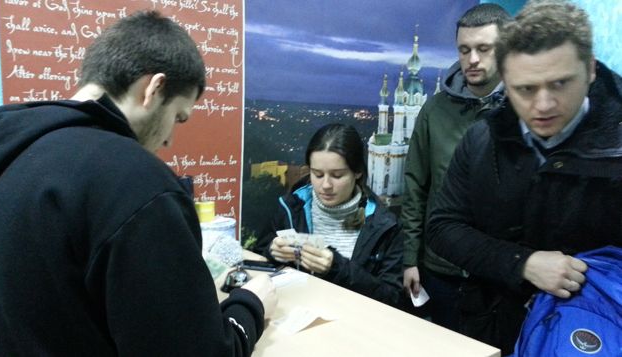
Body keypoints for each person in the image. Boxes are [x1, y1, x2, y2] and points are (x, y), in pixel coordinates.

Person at [0, 11, 276, 356]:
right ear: (153, 89)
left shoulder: (6, 143)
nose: (169, 140)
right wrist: (249, 306)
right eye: (178, 117)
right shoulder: (133, 182)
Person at [426, 0, 622, 354]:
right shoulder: (482, 138)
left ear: (590, 69)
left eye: (560, 83)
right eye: (525, 89)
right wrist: (524, 264)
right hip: (494, 326)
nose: (543, 105)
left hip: (595, 334)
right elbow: (443, 226)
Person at [400, 3, 510, 330]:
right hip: (441, 270)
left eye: (483, 49)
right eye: (464, 50)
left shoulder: (528, 109)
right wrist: (410, 259)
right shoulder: (435, 111)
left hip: (500, 275)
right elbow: (416, 186)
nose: (472, 59)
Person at [255, 123, 404, 306]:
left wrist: (336, 267)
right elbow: (258, 257)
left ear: (357, 172)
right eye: (317, 174)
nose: (325, 185)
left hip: (356, 322)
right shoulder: (290, 208)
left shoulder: (385, 226)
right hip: (294, 314)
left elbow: (392, 298)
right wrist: (272, 251)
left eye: (337, 175)